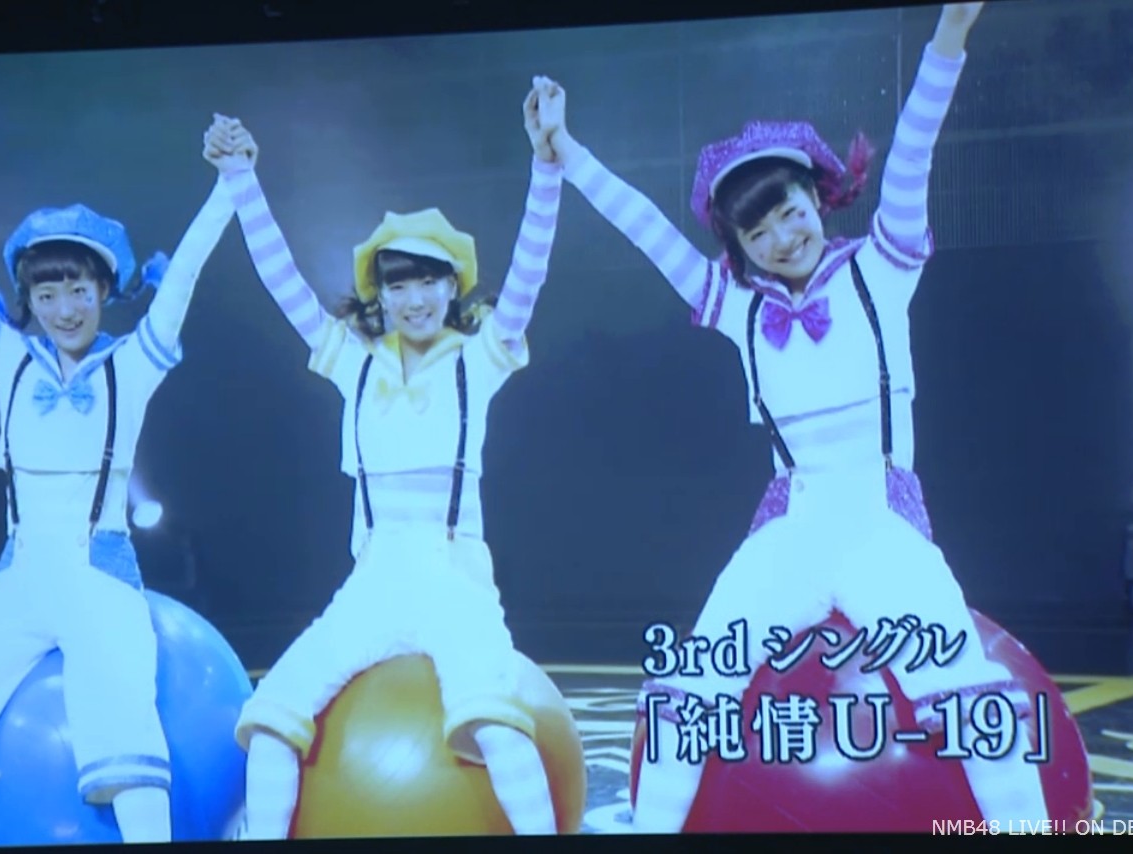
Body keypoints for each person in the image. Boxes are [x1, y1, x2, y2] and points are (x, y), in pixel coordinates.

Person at [539, 2, 1053, 832]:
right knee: (689, 696)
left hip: (883, 531)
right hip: (788, 535)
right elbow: (644, 228)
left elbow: (914, 149)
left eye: (789, 210)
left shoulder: (882, 269)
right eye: (757, 229)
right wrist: (568, 153)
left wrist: (949, 36)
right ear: (737, 246)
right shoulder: (738, 309)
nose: (781, 236)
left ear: (819, 196)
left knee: (972, 699)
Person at [0, 115, 239, 849]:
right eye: (48, 294)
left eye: (79, 290)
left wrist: (228, 186)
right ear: (29, 298)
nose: (65, 309)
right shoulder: (8, 358)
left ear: (104, 288)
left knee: (125, 741)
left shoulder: (132, 364)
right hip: (18, 579)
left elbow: (185, 272)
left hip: (102, 580)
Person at [203, 82, 565, 838]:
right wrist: (241, 178)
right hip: (371, 584)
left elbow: (531, 270)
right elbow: (281, 279)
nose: (415, 298)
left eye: (429, 280)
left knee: (499, 729)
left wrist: (546, 163)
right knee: (269, 724)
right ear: (382, 294)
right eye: (399, 284)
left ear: (453, 286)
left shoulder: (480, 357)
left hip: (455, 583)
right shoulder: (355, 362)